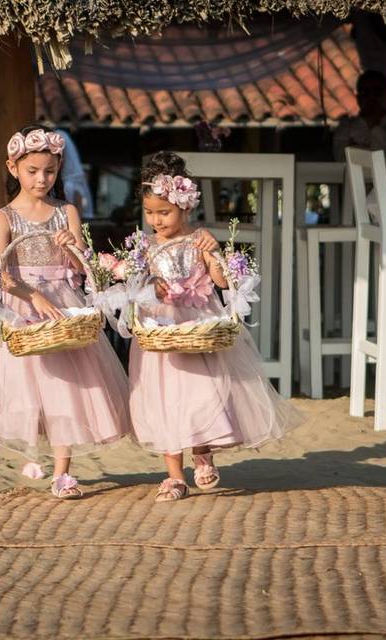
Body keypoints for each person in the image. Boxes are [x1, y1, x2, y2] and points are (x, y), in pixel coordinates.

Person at [129, 151, 304, 502]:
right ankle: (175, 476)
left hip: (197, 327)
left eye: (164, 212)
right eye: (150, 213)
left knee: (201, 393)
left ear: (186, 207)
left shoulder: (199, 239)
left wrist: (217, 253)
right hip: (160, 331)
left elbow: (222, 282)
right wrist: (151, 285)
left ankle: (203, 450)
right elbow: (134, 287)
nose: (156, 220)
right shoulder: (144, 245)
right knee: (165, 402)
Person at [0, 124, 130, 499]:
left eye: (50, 171)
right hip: (24, 309)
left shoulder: (67, 211)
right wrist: (32, 297)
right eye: (32, 171)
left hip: (63, 307)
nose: (42, 179)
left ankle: (62, 472)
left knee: (65, 389)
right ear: (13, 168)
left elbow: (81, 269)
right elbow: (0, 274)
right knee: (15, 389)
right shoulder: (5, 217)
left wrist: (72, 247)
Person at [332, 70, 386, 161]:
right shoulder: (345, 128)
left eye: (377, 92)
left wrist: (375, 128)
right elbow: (342, 158)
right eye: (365, 93)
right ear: (358, 99)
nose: (371, 98)